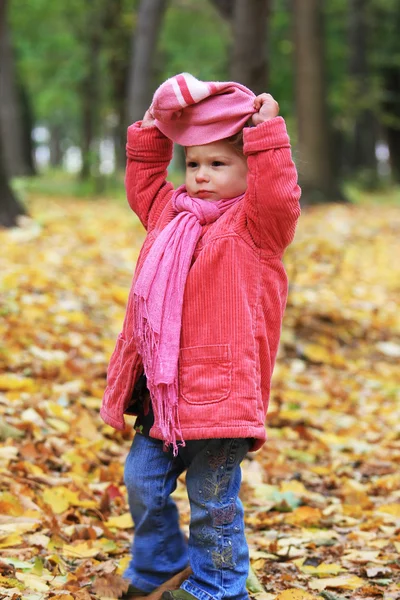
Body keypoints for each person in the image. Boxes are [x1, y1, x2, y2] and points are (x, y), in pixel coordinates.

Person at [100, 73, 301, 600]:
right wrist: (151, 127)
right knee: (143, 482)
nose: (202, 176)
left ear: (248, 168)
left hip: (220, 391)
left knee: (213, 500)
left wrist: (267, 133)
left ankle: (220, 587)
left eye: (219, 164)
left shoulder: (256, 226)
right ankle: (159, 569)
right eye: (193, 164)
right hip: (161, 391)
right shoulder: (172, 216)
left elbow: (280, 194)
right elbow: (144, 183)